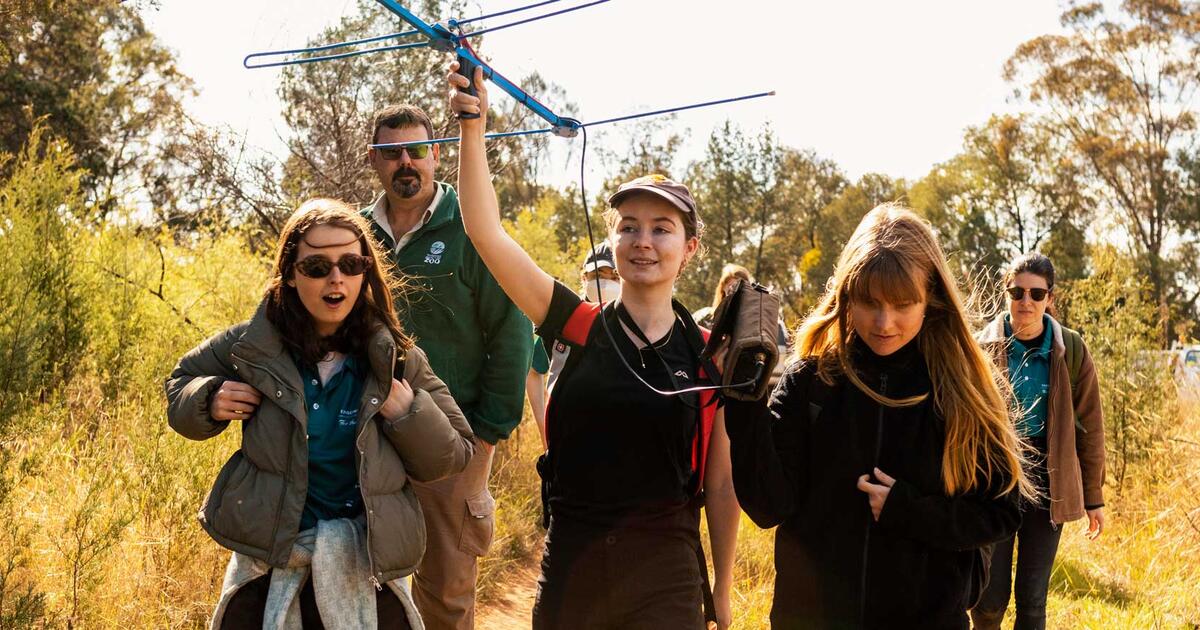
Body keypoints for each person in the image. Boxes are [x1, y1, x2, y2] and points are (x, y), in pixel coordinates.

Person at [449, 64, 739, 629]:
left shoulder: (709, 356)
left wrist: (722, 593)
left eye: (661, 228)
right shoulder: (574, 324)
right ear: (613, 237)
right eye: (628, 226)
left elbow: (721, 484)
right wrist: (473, 126)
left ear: (690, 248)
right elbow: (485, 232)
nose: (643, 241)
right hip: (573, 573)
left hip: (667, 579)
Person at [165, 199, 475, 629]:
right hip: (270, 560)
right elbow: (180, 382)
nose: (336, 278)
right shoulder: (252, 345)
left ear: (365, 271)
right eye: (317, 267)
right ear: (291, 274)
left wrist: (409, 413)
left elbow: (456, 453)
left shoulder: (397, 358)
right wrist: (209, 398)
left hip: (365, 563)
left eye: (351, 264)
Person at [724, 203, 1029, 629]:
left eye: (903, 304)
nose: (884, 322)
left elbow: (1001, 512)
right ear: (847, 295)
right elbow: (768, 507)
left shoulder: (963, 390)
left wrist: (910, 511)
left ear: (931, 298)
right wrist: (743, 404)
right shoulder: (812, 380)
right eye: (869, 302)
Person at [363, 104, 533, 629]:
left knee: (445, 593)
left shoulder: (473, 230)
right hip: (367, 440)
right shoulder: (357, 235)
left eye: (417, 150)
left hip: (452, 443)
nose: (406, 162)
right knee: (365, 588)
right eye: (392, 152)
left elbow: (513, 335)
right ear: (374, 160)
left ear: (436, 155)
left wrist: (485, 438)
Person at [972, 252, 1106, 630]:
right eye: (1017, 292)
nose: (1025, 301)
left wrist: (1093, 498)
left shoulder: (1071, 349)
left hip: (1049, 483)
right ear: (1006, 294)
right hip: (993, 484)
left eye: (1036, 293)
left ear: (1050, 298)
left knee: (1032, 601)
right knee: (988, 599)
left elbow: (1091, 427)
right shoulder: (978, 349)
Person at [526, 241, 621, 447]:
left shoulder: (636, 323)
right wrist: (545, 431)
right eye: (598, 275)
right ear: (584, 278)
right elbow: (533, 371)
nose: (606, 283)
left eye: (615, 277)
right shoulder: (564, 320)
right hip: (571, 437)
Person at [693, 263, 789, 384]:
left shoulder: (757, 324)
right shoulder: (705, 318)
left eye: (739, 288)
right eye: (730, 288)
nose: (734, 294)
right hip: (707, 381)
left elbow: (770, 357)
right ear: (723, 289)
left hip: (740, 383)